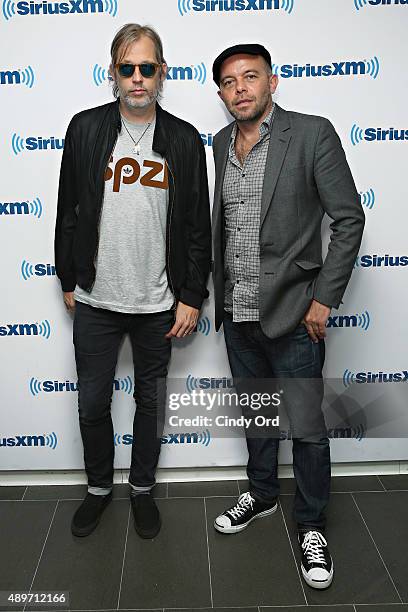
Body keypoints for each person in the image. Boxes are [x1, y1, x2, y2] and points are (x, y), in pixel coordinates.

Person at [211, 43, 364, 589]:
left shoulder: (312, 133)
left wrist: (324, 297)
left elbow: (348, 219)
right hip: (238, 311)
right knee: (257, 415)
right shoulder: (222, 143)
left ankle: (312, 524)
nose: (240, 89)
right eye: (229, 82)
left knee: (307, 428)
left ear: (273, 81)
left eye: (250, 77)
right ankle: (262, 494)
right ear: (222, 94)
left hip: (297, 313)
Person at [54, 23, 211, 539]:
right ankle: (99, 488)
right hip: (96, 298)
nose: (137, 78)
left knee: (151, 402)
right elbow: (67, 212)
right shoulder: (85, 129)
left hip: (158, 302)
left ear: (162, 73)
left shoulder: (184, 139)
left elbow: (196, 225)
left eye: (147, 68)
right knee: (92, 402)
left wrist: (191, 295)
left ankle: (142, 489)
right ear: (113, 74)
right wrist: (67, 279)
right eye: (128, 68)